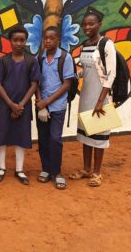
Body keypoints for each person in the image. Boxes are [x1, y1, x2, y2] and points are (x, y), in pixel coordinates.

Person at [69, 11, 116, 187]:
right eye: (85, 25)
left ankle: (97, 172)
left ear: (99, 25)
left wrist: (100, 102)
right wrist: (73, 75)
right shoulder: (84, 45)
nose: (87, 27)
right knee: (86, 135)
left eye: (91, 24)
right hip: (86, 97)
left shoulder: (106, 44)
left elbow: (111, 75)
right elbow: (86, 70)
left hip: (101, 98)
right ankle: (86, 169)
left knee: (99, 136)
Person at [0, 26, 40, 185]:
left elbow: (34, 84)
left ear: (26, 41)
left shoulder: (31, 61)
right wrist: (11, 104)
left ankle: (19, 169)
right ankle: (1, 167)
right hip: (5, 104)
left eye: (22, 40)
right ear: (10, 41)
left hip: (23, 106)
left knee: (21, 135)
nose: (18, 43)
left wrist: (20, 105)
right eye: (15, 40)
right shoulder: (3, 61)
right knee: (1, 134)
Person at [34, 26, 74, 189]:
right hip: (41, 105)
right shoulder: (40, 58)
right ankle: (46, 169)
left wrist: (47, 102)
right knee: (43, 139)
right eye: (45, 38)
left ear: (58, 40)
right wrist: (39, 102)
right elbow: (36, 81)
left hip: (57, 106)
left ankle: (57, 172)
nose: (48, 41)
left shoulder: (65, 58)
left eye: (52, 38)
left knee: (55, 139)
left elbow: (66, 84)